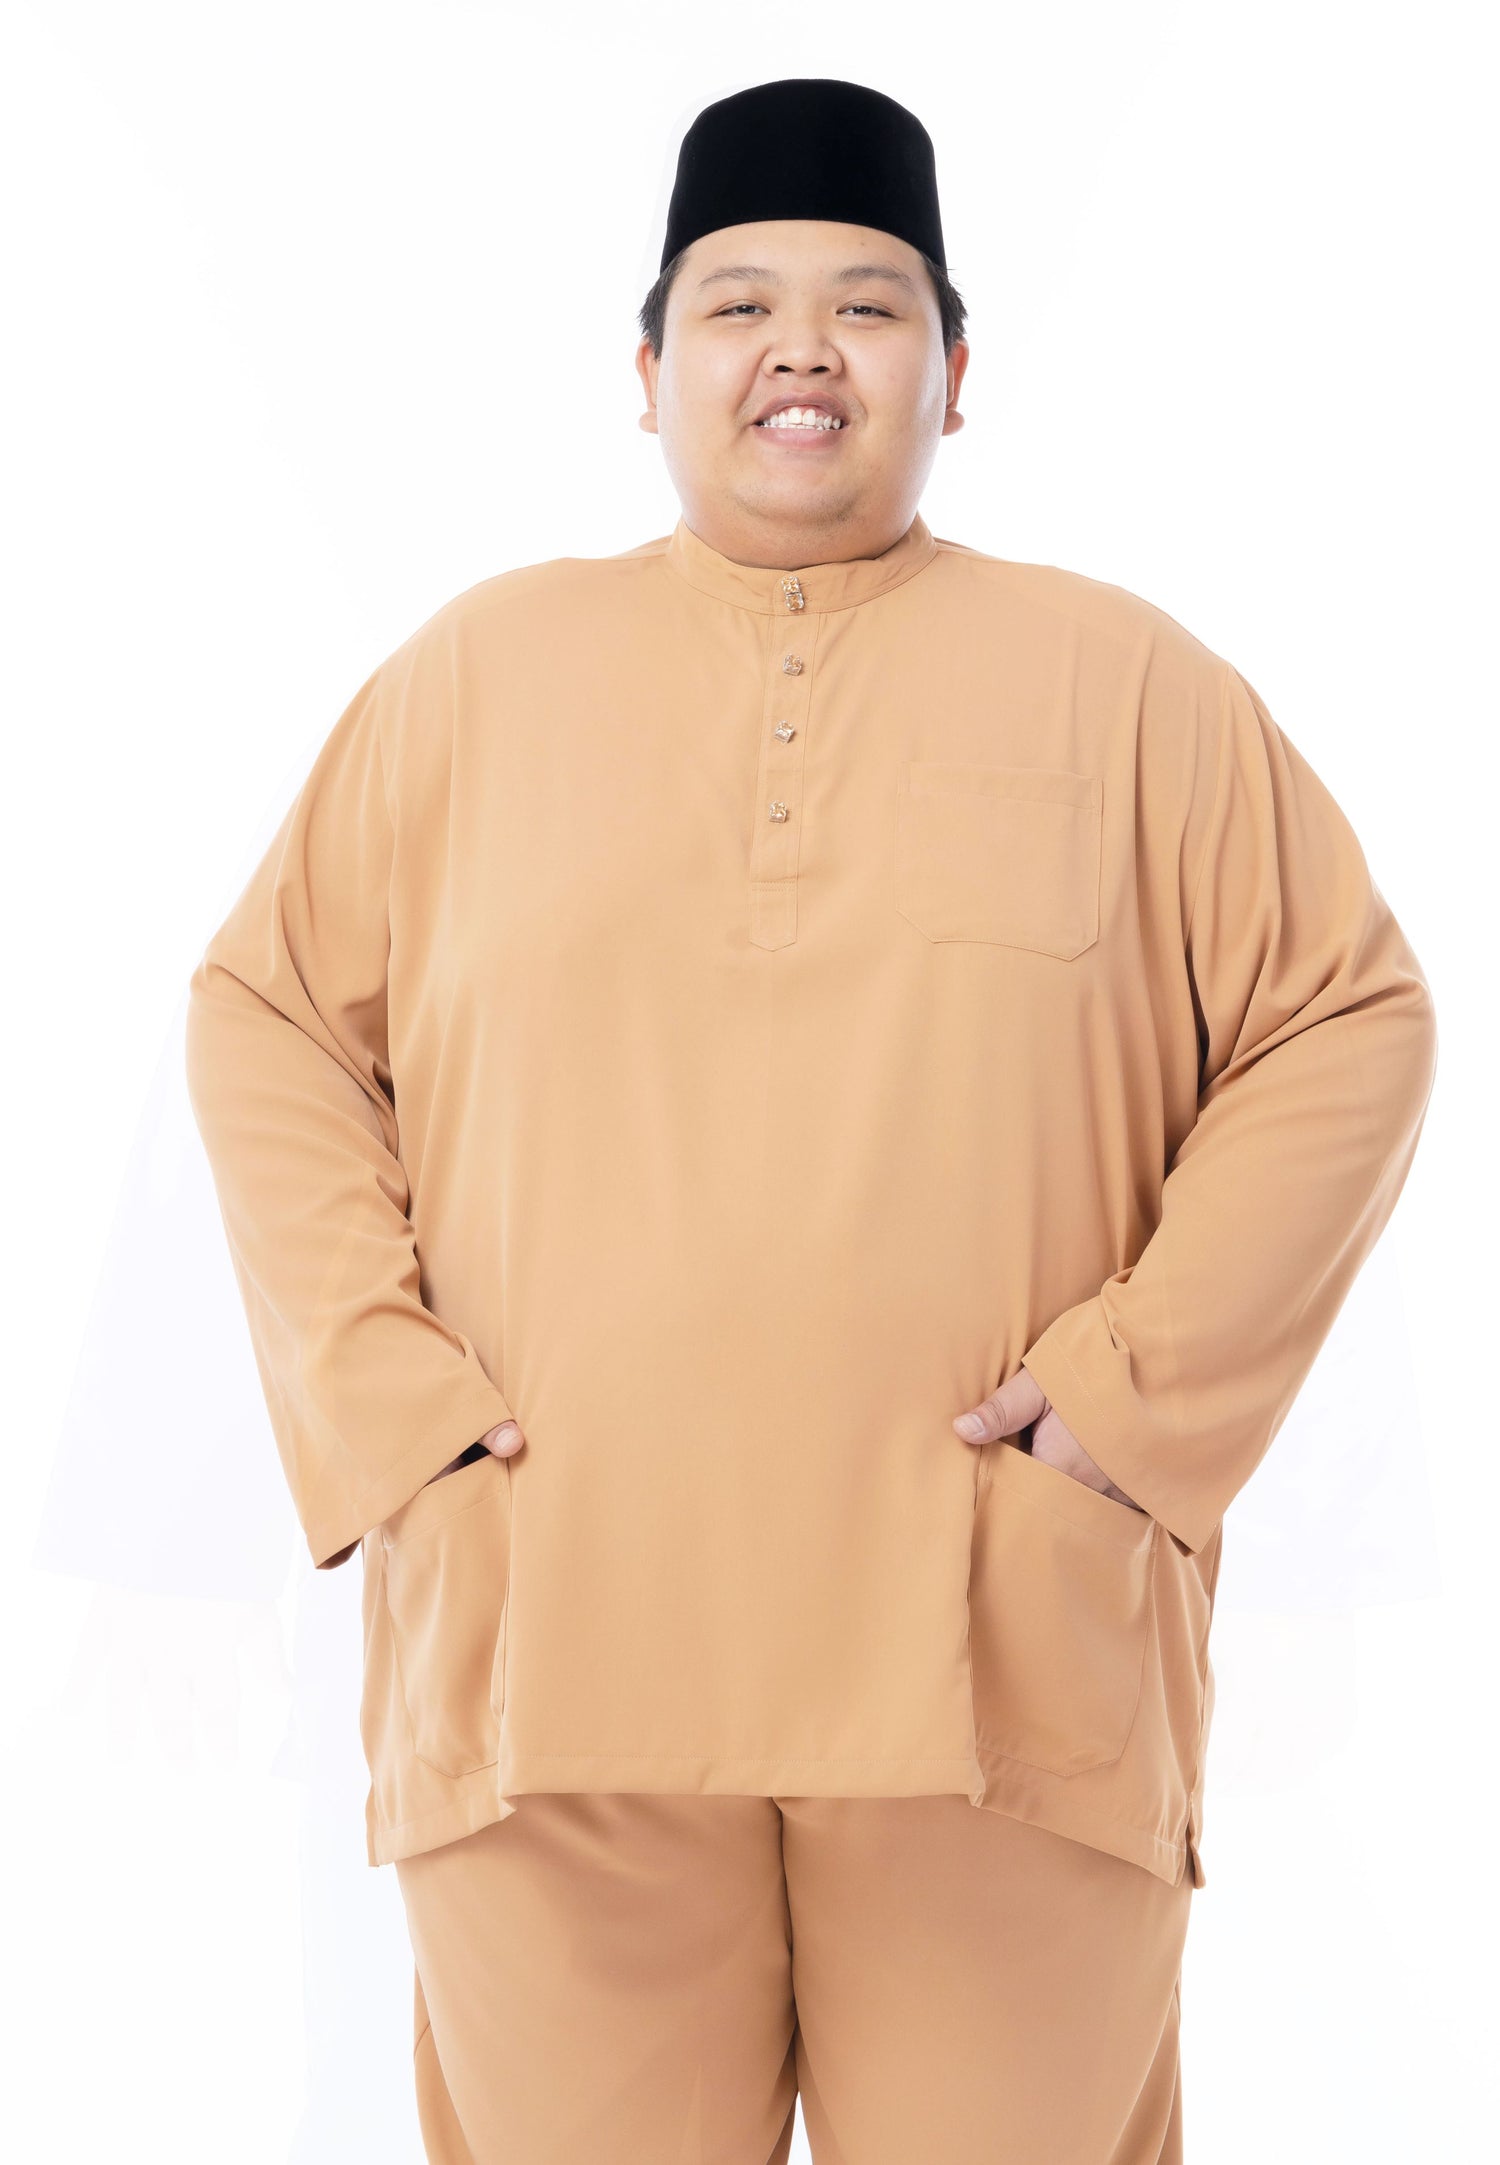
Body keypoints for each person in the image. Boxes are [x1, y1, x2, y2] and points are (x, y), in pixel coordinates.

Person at [183, 75, 1439, 2165]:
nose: (803, 351)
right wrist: (394, 1415)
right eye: (740, 304)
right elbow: (269, 1018)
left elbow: (1348, 1021)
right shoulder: (470, 680)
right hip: (553, 1644)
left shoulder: (1132, 686)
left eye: (867, 306)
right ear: (647, 371)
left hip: (1000, 1659)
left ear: (956, 369)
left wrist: (1126, 1406)